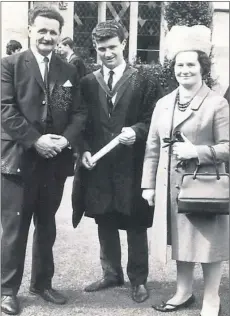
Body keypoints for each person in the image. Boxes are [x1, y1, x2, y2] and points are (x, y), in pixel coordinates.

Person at [1, 6, 87, 315]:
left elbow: (74, 111)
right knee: (15, 228)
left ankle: (42, 283)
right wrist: (35, 140)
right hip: (19, 161)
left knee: (47, 226)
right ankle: (8, 290)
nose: (47, 36)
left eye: (53, 32)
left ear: (60, 35)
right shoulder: (10, 65)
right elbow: (5, 109)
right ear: (29, 31)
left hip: (54, 163)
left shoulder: (67, 70)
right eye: (42, 30)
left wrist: (64, 139)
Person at [142, 25, 229, 316]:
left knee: (208, 245)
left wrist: (198, 152)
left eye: (191, 64)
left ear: (202, 68)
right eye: (180, 64)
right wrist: (148, 185)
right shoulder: (164, 103)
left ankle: (212, 298)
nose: (185, 70)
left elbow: (228, 146)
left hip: (204, 185)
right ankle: (182, 292)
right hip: (171, 185)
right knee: (179, 241)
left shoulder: (217, 103)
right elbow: (153, 147)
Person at [79, 20, 161, 303]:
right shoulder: (88, 82)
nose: (107, 53)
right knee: (105, 220)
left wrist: (137, 132)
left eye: (112, 47)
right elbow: (83, 123)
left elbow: (155, 119)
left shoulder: (145, 79)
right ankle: (111, 273)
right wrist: (85, 150)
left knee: (136, 222)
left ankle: (138, 279)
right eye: (102, 48)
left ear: (124, 44)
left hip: (133, 164)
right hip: (102, 166)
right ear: (95, 49)